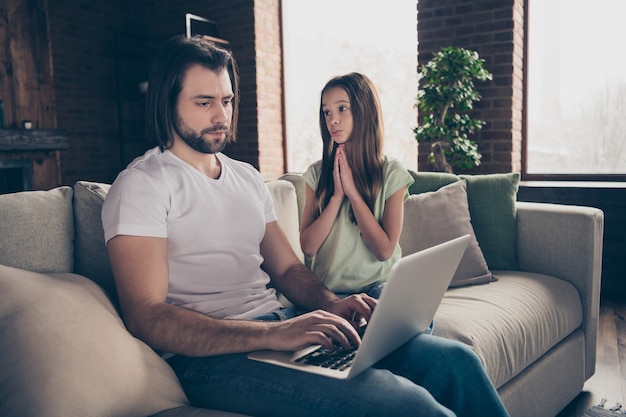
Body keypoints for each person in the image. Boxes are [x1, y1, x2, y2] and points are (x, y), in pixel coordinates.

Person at [101, 34, 510, 417]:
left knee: (456, 363)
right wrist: (271, 336)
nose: (221, 115)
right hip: (212, 359)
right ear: (167, 103)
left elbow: (288, 268)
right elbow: (147, 315)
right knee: (406, 405)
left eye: (226, 100)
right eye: (204, 102)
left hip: (283, 326)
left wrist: (331, 305)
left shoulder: (245, 177)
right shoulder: (143, 184)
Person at [300, 72, 413, 299]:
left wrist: (353, 194)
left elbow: (384, 251)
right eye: (326, 112)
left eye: (342, 108)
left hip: (380, 285)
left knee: (410, 310)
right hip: (330, 292)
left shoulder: (392, 173)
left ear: (365, 110)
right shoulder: (315, 173)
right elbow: (308, 247)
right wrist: (337, 197)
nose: (332, 119)